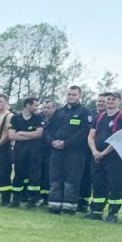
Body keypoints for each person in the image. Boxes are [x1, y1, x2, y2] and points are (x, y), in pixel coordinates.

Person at [45, 85, 94, 215]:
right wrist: (52, 141)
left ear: (79, 96)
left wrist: (66, 143)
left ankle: (69, 206)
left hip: (75, 152)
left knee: (71, 180)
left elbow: (84, 131)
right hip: (56, 151)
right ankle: (54, 205)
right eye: (69, 94)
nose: (71, 97)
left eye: (74, 94)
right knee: (55, 178)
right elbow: (48, 129)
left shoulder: (85, 112)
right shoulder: (59, 112)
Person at [86, 91, 122, 222]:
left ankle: (113, 213)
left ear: (119, 101)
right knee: (98, 183)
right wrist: (94, 151)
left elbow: (121, 139)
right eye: (108, 99)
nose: (110, 101)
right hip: (97, 156)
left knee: (115, 185)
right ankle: (97, 211)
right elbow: (91, 135)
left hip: (114, 157)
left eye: (113, 99)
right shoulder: (99, 117)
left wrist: (103, 153)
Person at [8, 97, 44, 208]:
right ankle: (16, 200)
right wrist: (30, 136)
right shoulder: (15, 118)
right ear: (28, 105)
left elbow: (38, 134)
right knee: (18, 175)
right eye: (35, 105)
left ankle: (32, 200)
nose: (37, 108)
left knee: (34, 176)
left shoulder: (38, 118)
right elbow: (11, 135)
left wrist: (22, 133)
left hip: (34, 153)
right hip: (19, 152)